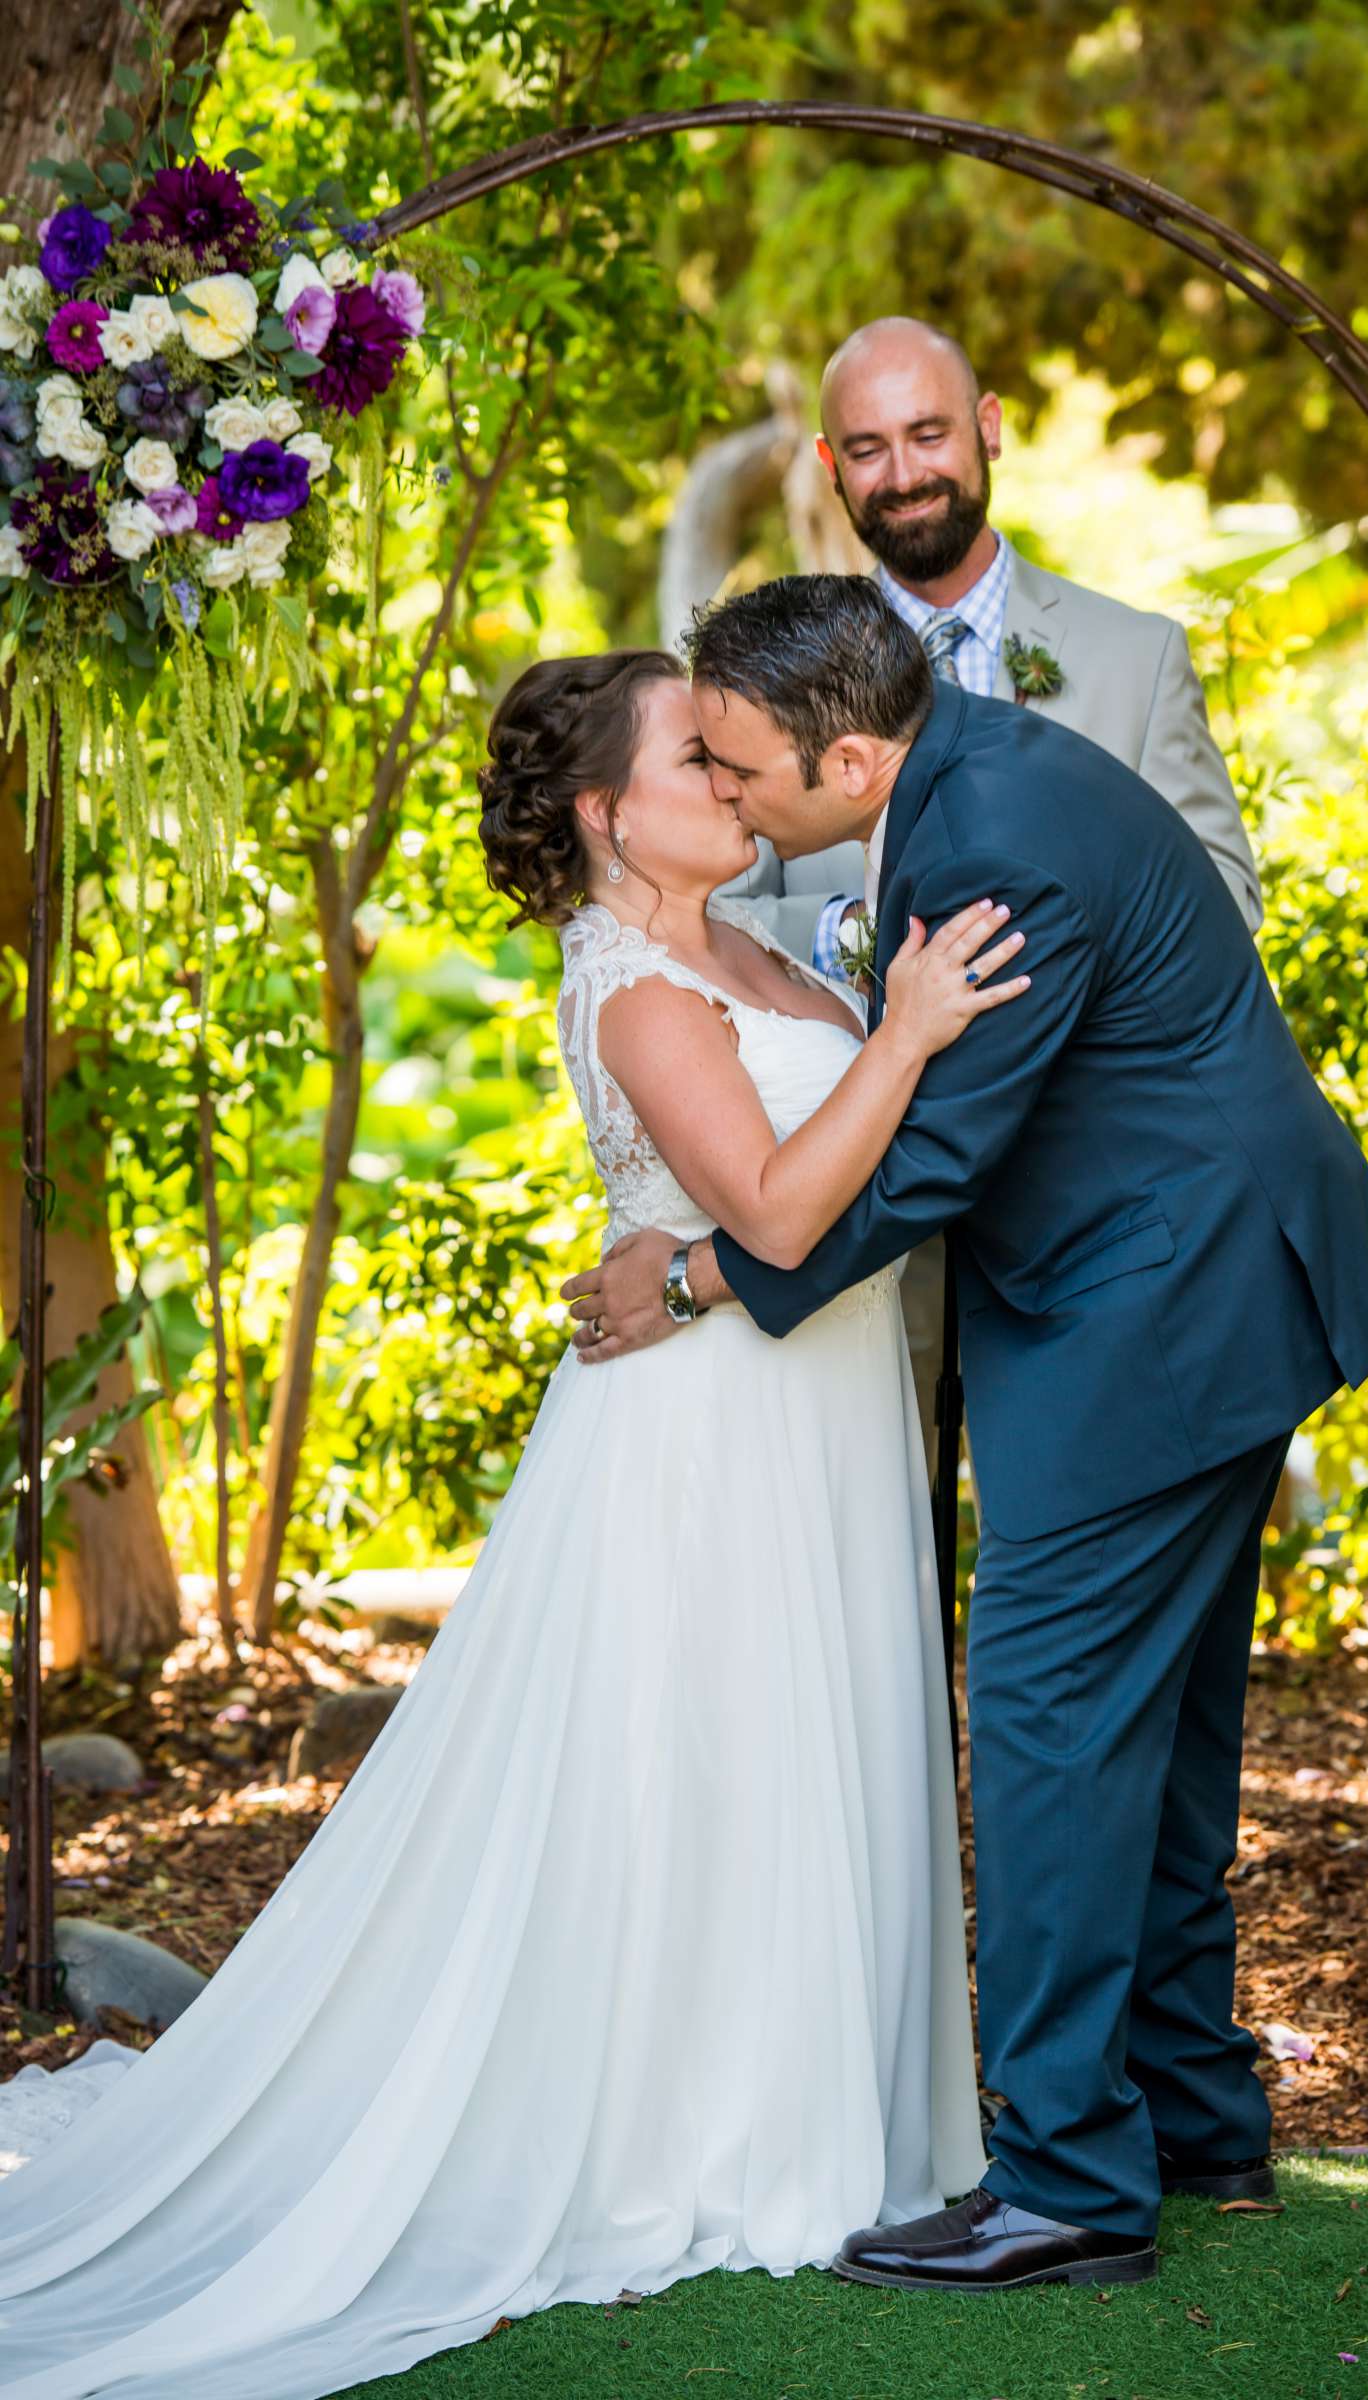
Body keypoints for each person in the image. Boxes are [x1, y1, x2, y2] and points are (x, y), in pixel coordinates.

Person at [0, 647, 1024, 2396]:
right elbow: (777, 1209)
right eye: (695, 756)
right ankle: (704, 2140)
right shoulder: (632, 987)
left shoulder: (764, 945)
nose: (730, 774)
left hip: (823, 1417)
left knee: (808, 1745)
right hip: (709, 1449)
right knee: (705, 1764)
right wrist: (913, 1032)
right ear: (606, 815)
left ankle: (827, 2111)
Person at [564, 576, 1368, 2293]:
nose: (731, 800)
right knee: (1166, 1735)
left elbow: (942, 1161)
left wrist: (698, 1284)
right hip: (1207, 1286)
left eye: (742, 770)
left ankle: (1064, 2185)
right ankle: (1197, 2120)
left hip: (1153, 1315)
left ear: (855, 751)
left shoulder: (996, 838)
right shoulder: (971, 783)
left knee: (1045, 1727)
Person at [717, 314, 1262, 1470]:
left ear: (989, 429)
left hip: (1082, 1204)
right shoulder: (775, 671)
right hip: (865, 1184)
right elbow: (711, 909)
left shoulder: (1131, 657)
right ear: (827, 465)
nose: (904, 474)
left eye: (927, 434)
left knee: (1065, 1522)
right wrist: (850, 936)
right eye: (865, 448)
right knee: (872, 1531)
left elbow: (1217, 900)